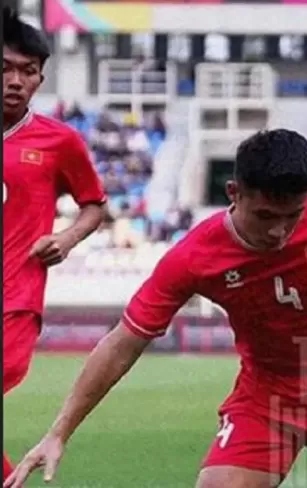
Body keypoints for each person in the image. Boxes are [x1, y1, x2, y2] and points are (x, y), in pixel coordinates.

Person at [5, 130, 307, 488]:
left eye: (293, 215)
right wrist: (59, 432)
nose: (280, 230)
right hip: (269, 397)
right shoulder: (193, 257)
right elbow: (123, 342)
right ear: (234, 192)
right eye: (266, 215)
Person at [2, 7, 107, 482]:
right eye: (4, 68)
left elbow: (94, 205)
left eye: (27, 71)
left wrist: (66, 238)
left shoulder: (58, 142)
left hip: (14, 301)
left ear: (41, 80)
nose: (15, 81)